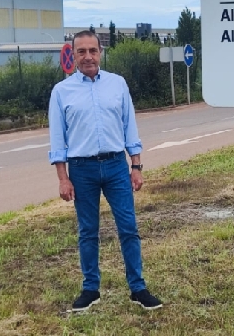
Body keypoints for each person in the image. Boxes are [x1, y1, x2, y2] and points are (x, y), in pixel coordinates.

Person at [48, 30, 163, 312]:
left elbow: (129, 127)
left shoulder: (117, 84)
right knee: (88, 231)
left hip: (115, 166)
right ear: (73, 55)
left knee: (128, 228)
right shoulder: (62, 92)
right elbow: (58, 138)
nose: (88, 56)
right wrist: (63, 178)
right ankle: (90, 289)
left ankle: (138, 288)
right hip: (81, 169)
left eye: (92, 51)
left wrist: (136, 166)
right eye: (81, 51)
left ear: (101, 52)